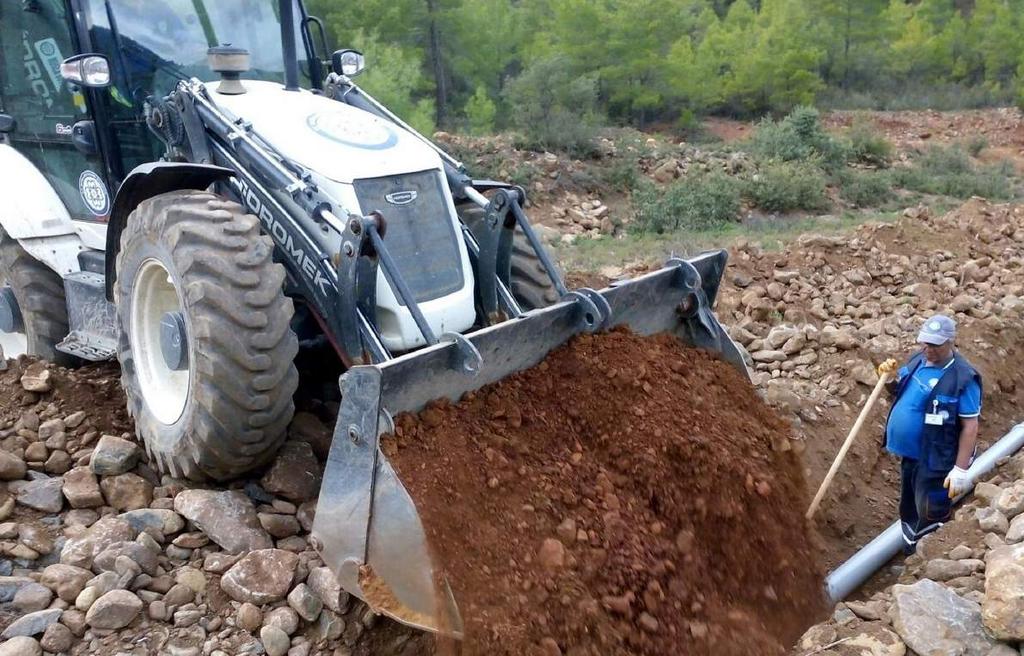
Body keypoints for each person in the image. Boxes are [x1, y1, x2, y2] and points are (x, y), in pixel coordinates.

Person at [882, 313, 982, 555]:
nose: (928, 349)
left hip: (937, 461)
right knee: (908, 506)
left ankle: (927, 560)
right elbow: (898, 390)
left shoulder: (963, 377)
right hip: (911, 456)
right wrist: (888, 379)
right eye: (925, 342)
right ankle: (910, 551)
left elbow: (970, 426)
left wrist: (960, 470)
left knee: (930, 510)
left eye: (935, 345)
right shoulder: (918, 360)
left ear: (950, 342)